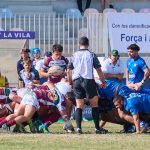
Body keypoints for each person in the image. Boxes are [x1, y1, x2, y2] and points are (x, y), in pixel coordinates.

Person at [67, 36, 106, 134]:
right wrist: (103, 81)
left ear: (79, 44)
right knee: (94, 104)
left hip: (76, 81)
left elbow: (68, 70)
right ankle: (97, 128)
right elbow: (98, 69)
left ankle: (79, 128)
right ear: (88, 44)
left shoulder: (74, 55)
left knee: (79, 105)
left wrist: (70, 81)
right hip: (88, 80)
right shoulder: (91, 54)